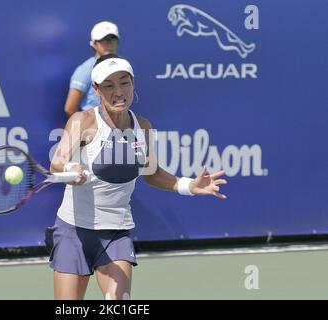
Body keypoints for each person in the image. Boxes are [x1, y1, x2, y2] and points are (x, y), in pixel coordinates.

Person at [48, 54, 228, 300]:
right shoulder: (83, 121)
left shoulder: (142, 127)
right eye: (109, 85)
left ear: (133, 83)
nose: (118, 91)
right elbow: (56, 163)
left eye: (124, 82)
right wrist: (71, 169)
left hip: (116, 232)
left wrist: (188, 185)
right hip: (74, 231)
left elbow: (151, 174)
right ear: (96, 89)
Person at [64, 21, 120, 118]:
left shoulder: (122, 66)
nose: (109, 44)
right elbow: (70, 109)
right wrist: (88, 127)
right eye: (104, 40)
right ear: (94, 44)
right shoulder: (85, 69)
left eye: (112, 39)